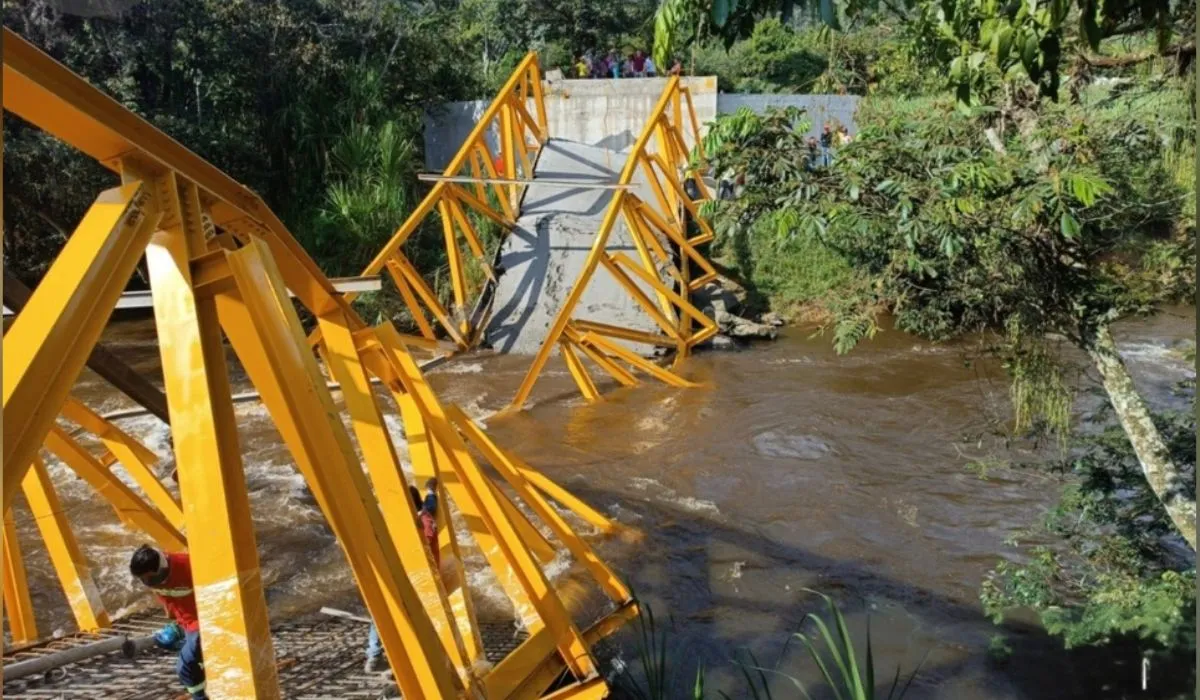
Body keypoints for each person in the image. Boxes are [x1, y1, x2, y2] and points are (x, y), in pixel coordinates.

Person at [363, 484, 441, 673]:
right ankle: (403, 660)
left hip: (402, 573)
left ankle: (375, 656)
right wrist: (431, 492)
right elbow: (429, 511)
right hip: (418, 576)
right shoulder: (423, 517)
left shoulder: (398, 521)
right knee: (412, 617)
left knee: (383, 612)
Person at [130, 545, 207, 699]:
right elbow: (169, 599)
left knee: (184, 667)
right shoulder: (154, 579)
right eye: (143, 579)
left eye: (149, 577)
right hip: (185, 621)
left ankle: (200, 696)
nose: (147, 581)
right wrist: (177, 622)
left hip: (202, 621)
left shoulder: (189, 566)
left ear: (160, 568)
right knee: (165, 642)